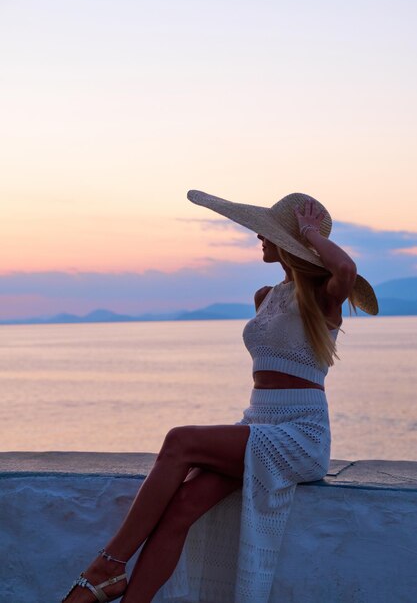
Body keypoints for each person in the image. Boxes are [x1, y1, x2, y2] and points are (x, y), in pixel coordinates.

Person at [61, 191, 378, 603]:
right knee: (182, 507)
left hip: (299, 436)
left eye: (266, 232)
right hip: (257, 427)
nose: (258, 238)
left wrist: (310, 234)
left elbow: (346, 268)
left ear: (291, 243)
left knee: (180, 440)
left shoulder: (322, 298)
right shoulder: (265, 296)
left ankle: (108, 566)